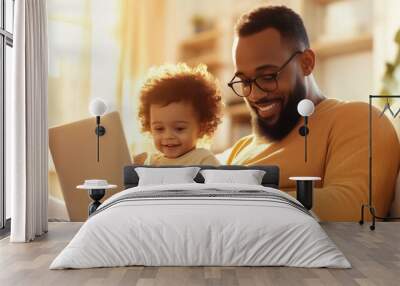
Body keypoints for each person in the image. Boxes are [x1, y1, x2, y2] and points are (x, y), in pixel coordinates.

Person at [225, 5, 400, 221]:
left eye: (268, 76)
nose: (254, 94)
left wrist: (231, 205)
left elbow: (355, 209)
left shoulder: (358, 120)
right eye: (244, 81)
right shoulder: (241, 149)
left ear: (306, 63)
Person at [135, 63, 222, 166]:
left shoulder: (203, 160)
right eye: (159, 128)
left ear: (201, 128)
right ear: (149, 127)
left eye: (179, 128)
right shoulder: (152, 162)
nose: (168, 136)